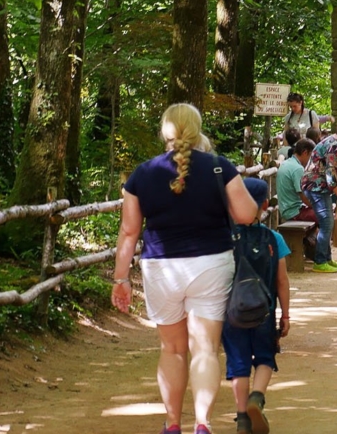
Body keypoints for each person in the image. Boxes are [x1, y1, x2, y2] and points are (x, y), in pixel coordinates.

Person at [111, 104, 258, 434]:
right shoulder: (219, 167)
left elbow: (129, 231)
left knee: (172, 349)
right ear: (197, 128)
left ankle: (173, 423)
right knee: (205, 349)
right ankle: (203, 424)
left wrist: (121, 278)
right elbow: (247, 214)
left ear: (164, 131)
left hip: (161, 268)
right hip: (211, 264)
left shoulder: (143, 173)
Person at [224, 178, 291, 434]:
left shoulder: (225, 238)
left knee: (238, 363)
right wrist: (285, 315)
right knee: (264, 358)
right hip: (264, 311)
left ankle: (242, 418)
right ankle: (257, 397)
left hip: (232, 312)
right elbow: (282, 281)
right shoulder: (274, 238)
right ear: (264, 205)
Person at [301, 114, 337, 273]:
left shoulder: (333, 141)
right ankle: (320, 261)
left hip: (318, 186)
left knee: (328, 222)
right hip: (316, 187)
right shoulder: (335, 145)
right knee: (326, 223)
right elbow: (331, 175)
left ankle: (327, 258)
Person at [276, 138, 315, 223]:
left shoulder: (286, 163)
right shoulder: (298, 168)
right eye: (310, 156)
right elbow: (304, 197)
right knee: (326, 215)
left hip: (286, 210)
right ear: (305, 153)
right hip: (294, 212)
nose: (310, 160)